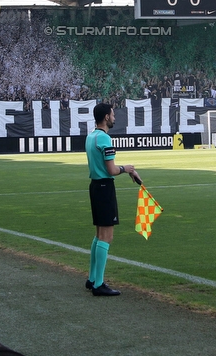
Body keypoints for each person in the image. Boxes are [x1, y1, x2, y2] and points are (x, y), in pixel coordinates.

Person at [85, 102, 140, 296]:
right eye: (113, 114)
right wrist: (128, 169)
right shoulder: (105, 139)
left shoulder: (91, 136)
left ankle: (92, 279)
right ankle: (98, 284)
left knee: (99, 234)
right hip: (104, 187)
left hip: (94, 186)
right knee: (106, 236)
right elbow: (112, 169)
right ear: (106, 117)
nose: (114, 117)